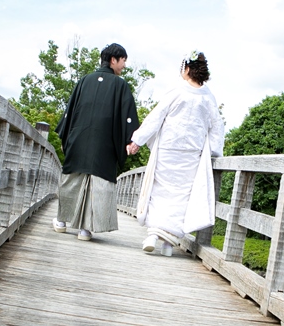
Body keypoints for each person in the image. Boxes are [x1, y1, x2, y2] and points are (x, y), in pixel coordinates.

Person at [127, 51, 224, 256]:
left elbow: (156, 116)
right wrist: (215, 151)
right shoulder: (209, 98)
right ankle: (169, 245)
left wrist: (138, 140)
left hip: (169, 150)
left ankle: (153, 234)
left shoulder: (177, 91)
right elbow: (216, 127)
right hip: (191, 153)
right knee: (181, 196)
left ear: (187, 69)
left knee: (160, 191)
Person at [53, 43, 141, 241]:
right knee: (99, 183)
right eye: (123, 60)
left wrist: (65, 136)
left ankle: (61, 221)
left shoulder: (85, 80)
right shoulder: (121, 85)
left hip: (78, 137)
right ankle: (86, 229)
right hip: (105, 142)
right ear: (113, 60)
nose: (124, 65)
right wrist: (130, 140)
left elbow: (70, 110)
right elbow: (128, 117)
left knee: (72, 178)